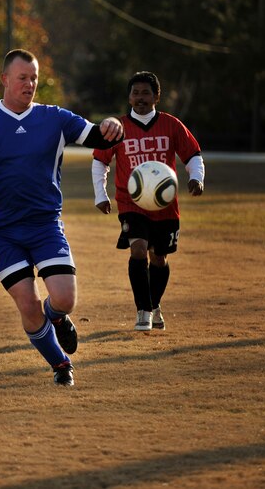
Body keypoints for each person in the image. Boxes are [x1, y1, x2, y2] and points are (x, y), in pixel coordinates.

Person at [0, 49, 124, 387]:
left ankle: (57, 319)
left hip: (44, 225)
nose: (30, 84)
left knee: (65, 299)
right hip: (1, 231)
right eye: (23, 78)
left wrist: (114, 125)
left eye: (34, 78)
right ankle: (60, 364)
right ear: (5, 80)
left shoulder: (55, 118)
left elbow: (98, 135)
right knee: (28, 303)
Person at [91, 71, 205, 332]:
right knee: (139, 250)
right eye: (135, 93)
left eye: (145, 93)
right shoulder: (117, 129)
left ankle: (154, 306)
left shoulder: (172, 125)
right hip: (131, 203)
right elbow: (100, 161)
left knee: (159, 258)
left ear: (156, 96)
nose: (140, 98)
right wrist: (101, 194)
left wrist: (197, 178)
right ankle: (142, 310)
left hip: (165, 205)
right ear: (129, 97)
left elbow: (193, 155)